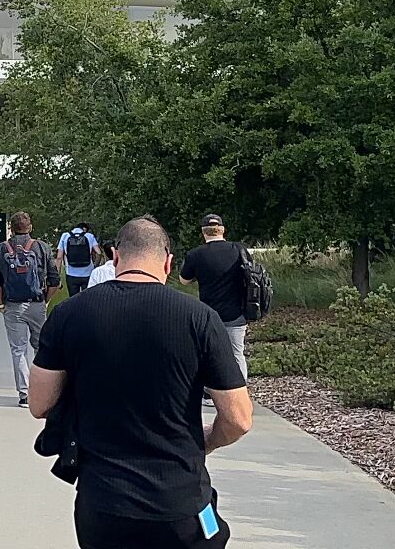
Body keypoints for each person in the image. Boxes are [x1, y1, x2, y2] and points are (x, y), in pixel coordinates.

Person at [29, 217, 252, 548]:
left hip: (103, 502)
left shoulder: (69, 314)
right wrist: (206, 441)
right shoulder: (200, 318)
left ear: (115, 257)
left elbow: (39, 404)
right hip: (180, 502)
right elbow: (238, 419)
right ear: (168, 262)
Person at [0, 210, 57, 407]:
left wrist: (1, 303)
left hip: (13, 305)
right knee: (41, 347)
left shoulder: (2, 249)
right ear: (31, 227)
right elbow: (54, 279)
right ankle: (43, 391)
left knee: (18, 350)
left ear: (10, 228)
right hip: (37, 303)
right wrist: (46, 300)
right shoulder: (41, 247)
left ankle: (24, 394)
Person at [180, 214, 250, 386]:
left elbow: (184, 280)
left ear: (203, 232)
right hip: (237, 312)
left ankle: (210, 394)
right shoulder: (238, 249)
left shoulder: (196, 254)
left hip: (208, 314)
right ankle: (240, 392)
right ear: (223, 230)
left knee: (209, 355)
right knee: (236, 353)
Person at [57, 222, 99, 299]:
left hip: (71, 274)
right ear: (84, 229)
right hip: (87, 273)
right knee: (88, 299)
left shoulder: (65, 236)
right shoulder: (89, 236)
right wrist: (95, 265)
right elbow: (98, 253)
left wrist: (57, 276)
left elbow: (59, 258)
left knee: (73, 299)